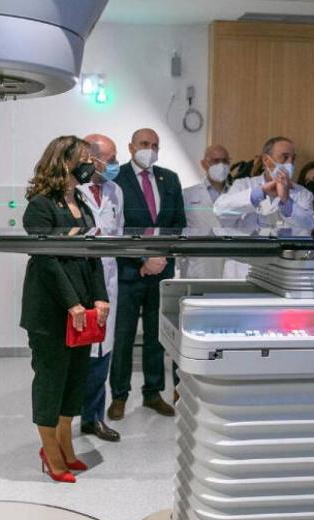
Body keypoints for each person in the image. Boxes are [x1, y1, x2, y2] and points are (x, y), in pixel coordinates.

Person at [20, 135, 110, 483]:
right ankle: (51, 453)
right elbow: (48, 262)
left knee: (74, 380)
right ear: (65, 162)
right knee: (51, 381)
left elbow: (92, 254)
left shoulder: (83, 205)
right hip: (51, 310)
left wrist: (99, 297)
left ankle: (66, 445)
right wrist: (72, 303)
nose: (92, 164)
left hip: (82, 309)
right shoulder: (40, 205)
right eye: (86, 158)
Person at [107, 128, 187, 421]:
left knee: (157, 336)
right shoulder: (116, 179)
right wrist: (142, 257)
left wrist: (161, 257)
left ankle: (153, 393)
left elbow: (178, 223)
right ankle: (118, 396)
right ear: (131, 147)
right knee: (124, 336)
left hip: (161, 270)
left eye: (154, 145)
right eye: (144, 144)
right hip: (129, 270)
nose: (149, 149)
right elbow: (115, 226)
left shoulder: (169, 179)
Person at [214, 136, 314, 277]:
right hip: (242, 271)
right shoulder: (244, 185)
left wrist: (286, 201)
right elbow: (220, 210)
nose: (290, 163)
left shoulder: (303, 194)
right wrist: (259, 193)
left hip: (283, 272)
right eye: (285, 157)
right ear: (266, 160)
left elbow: (311, 225)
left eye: (292, 159)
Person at [76, 133, 124, 442]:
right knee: (80, 350)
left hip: (107, 279)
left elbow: (116, 233)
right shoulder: (71, 189)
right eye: (111, 158)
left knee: (103, 349)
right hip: (79, 280)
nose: (116, 165)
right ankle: (69, 414)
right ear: (92, 159)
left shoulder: (115, 190)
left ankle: (94, 418)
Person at [179, 144, 231, 279]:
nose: (221, 165)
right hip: (199, 260)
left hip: (230, 259)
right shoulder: (187, 194)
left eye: (225, 161)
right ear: (204, 164)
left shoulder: (237, 194)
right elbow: (180, 228)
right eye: (216, 161)